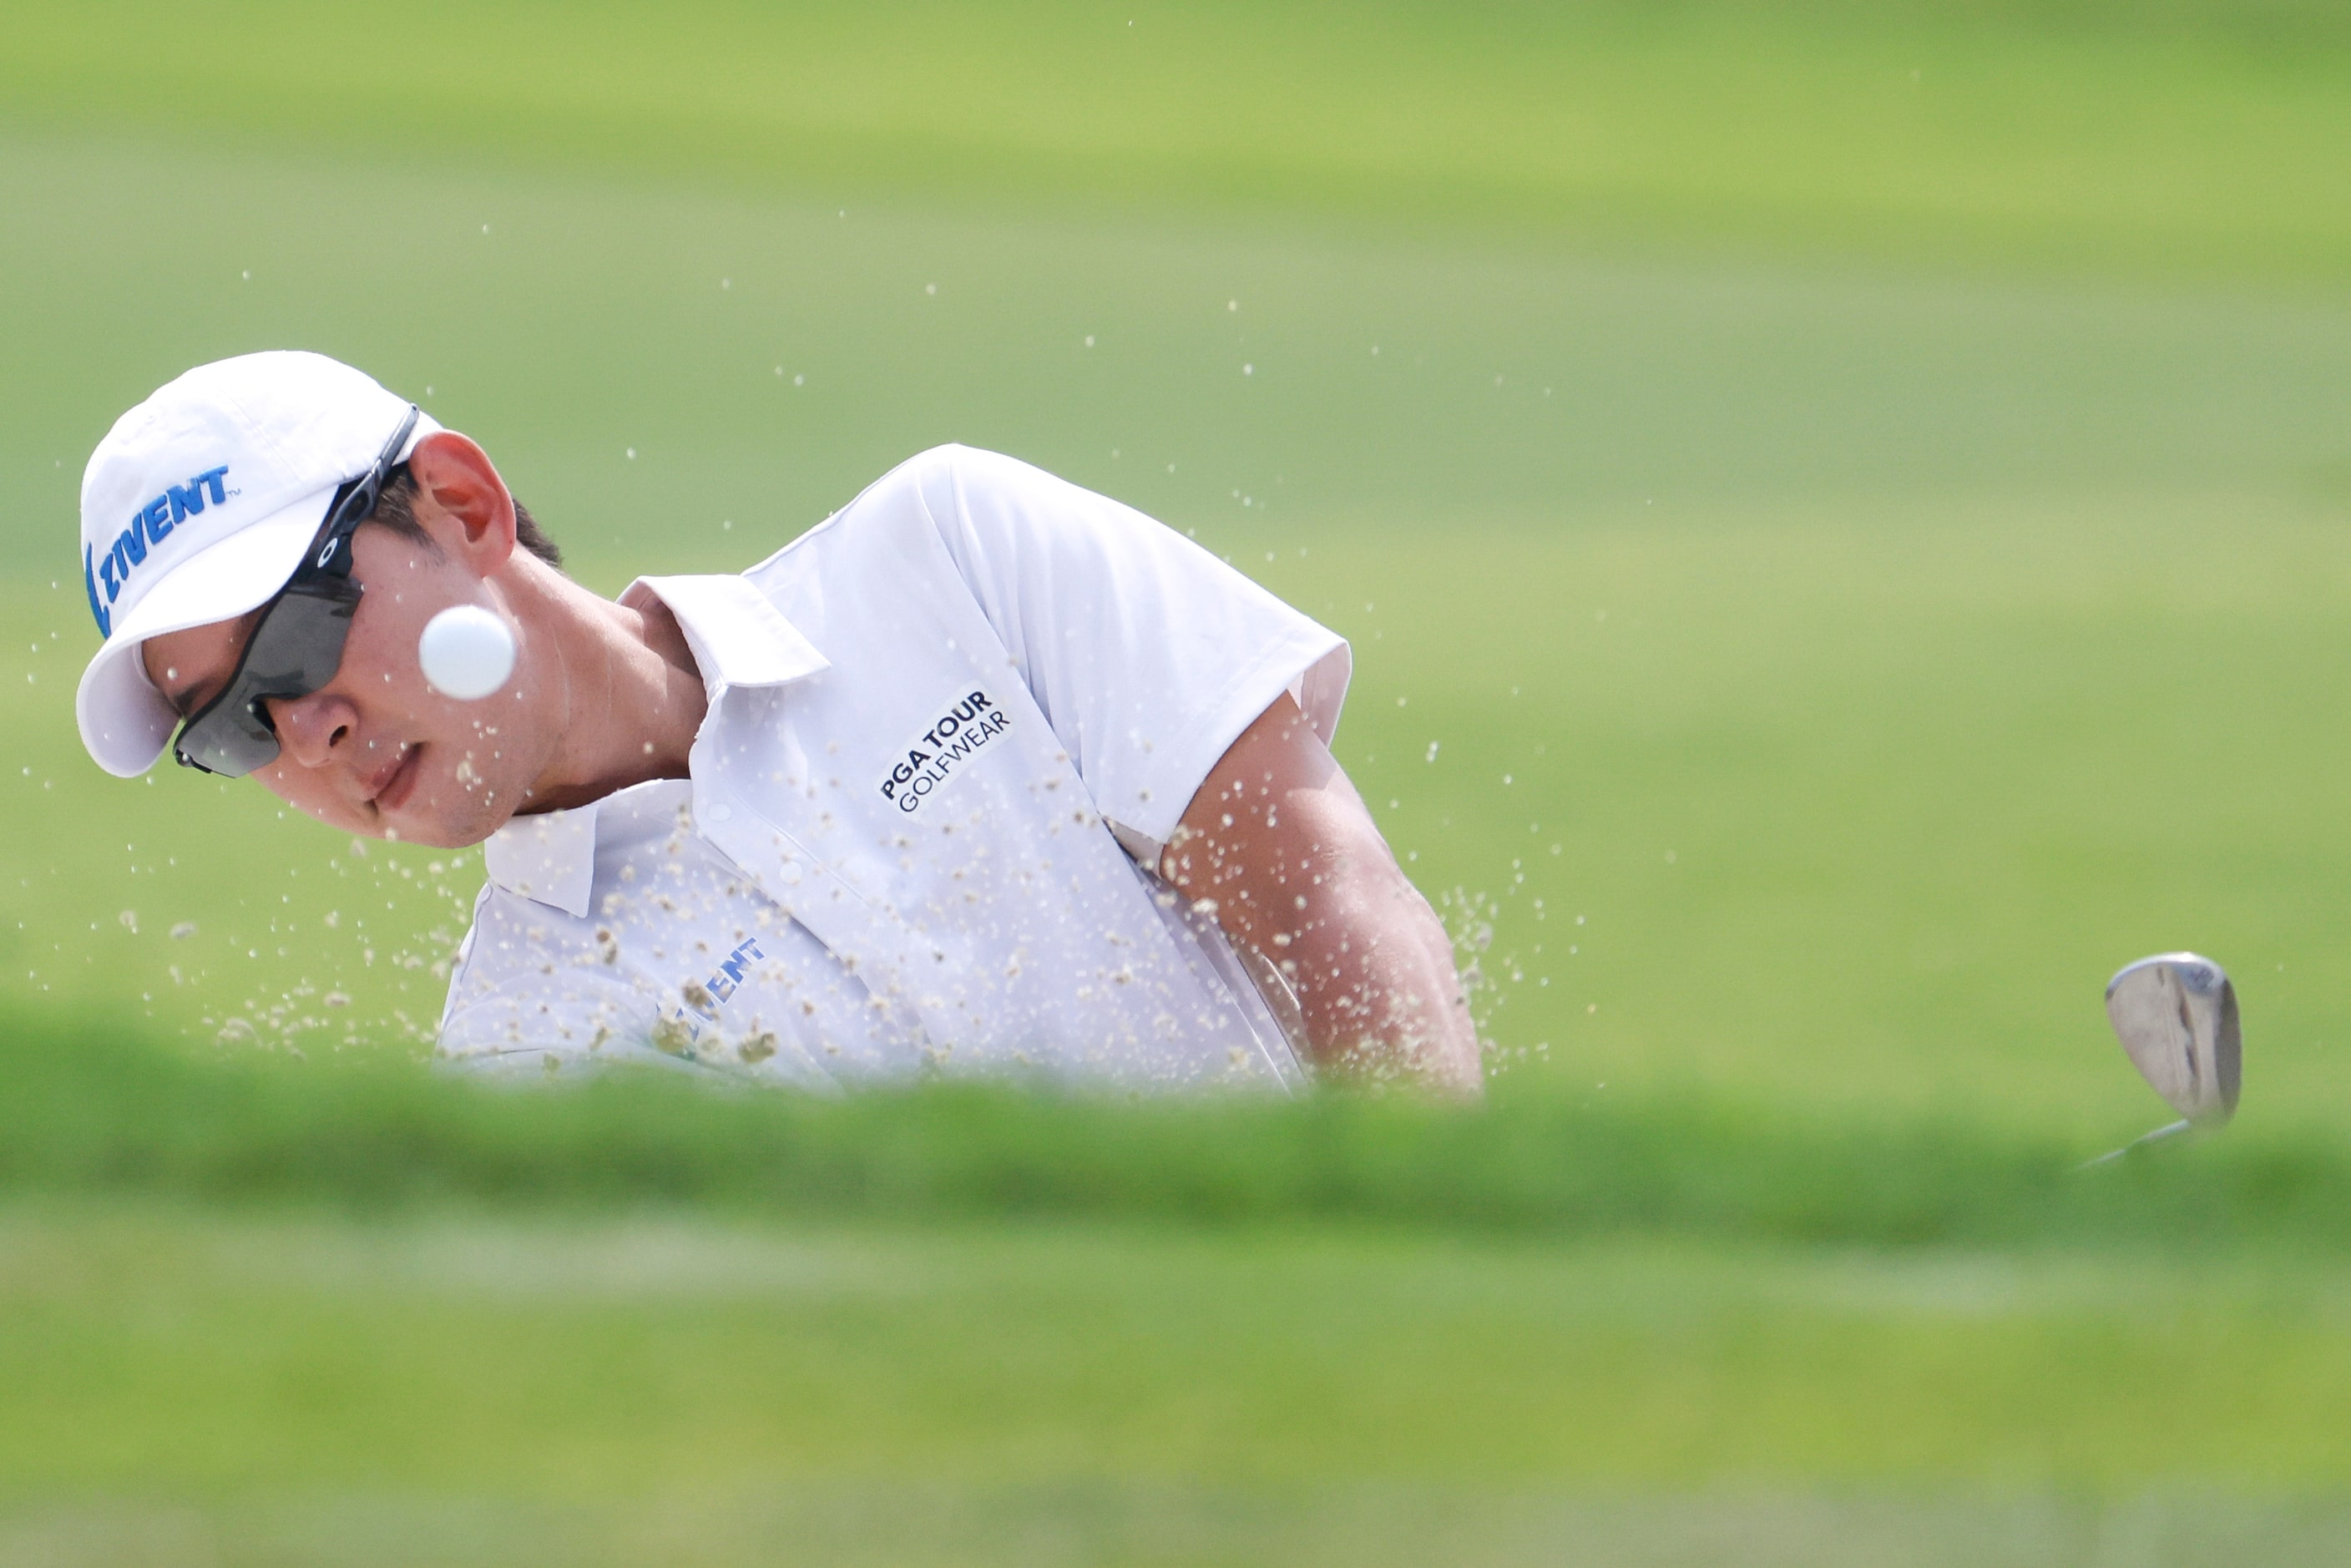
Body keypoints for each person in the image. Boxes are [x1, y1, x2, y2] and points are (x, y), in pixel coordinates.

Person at [74, 352, 1481, 1095]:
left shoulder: (953, 551)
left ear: (463, 504)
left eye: (303, 635)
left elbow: (1332, 907)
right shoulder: (524, 1057)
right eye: (233, 728)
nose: (306, 732)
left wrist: (1423, 1304)